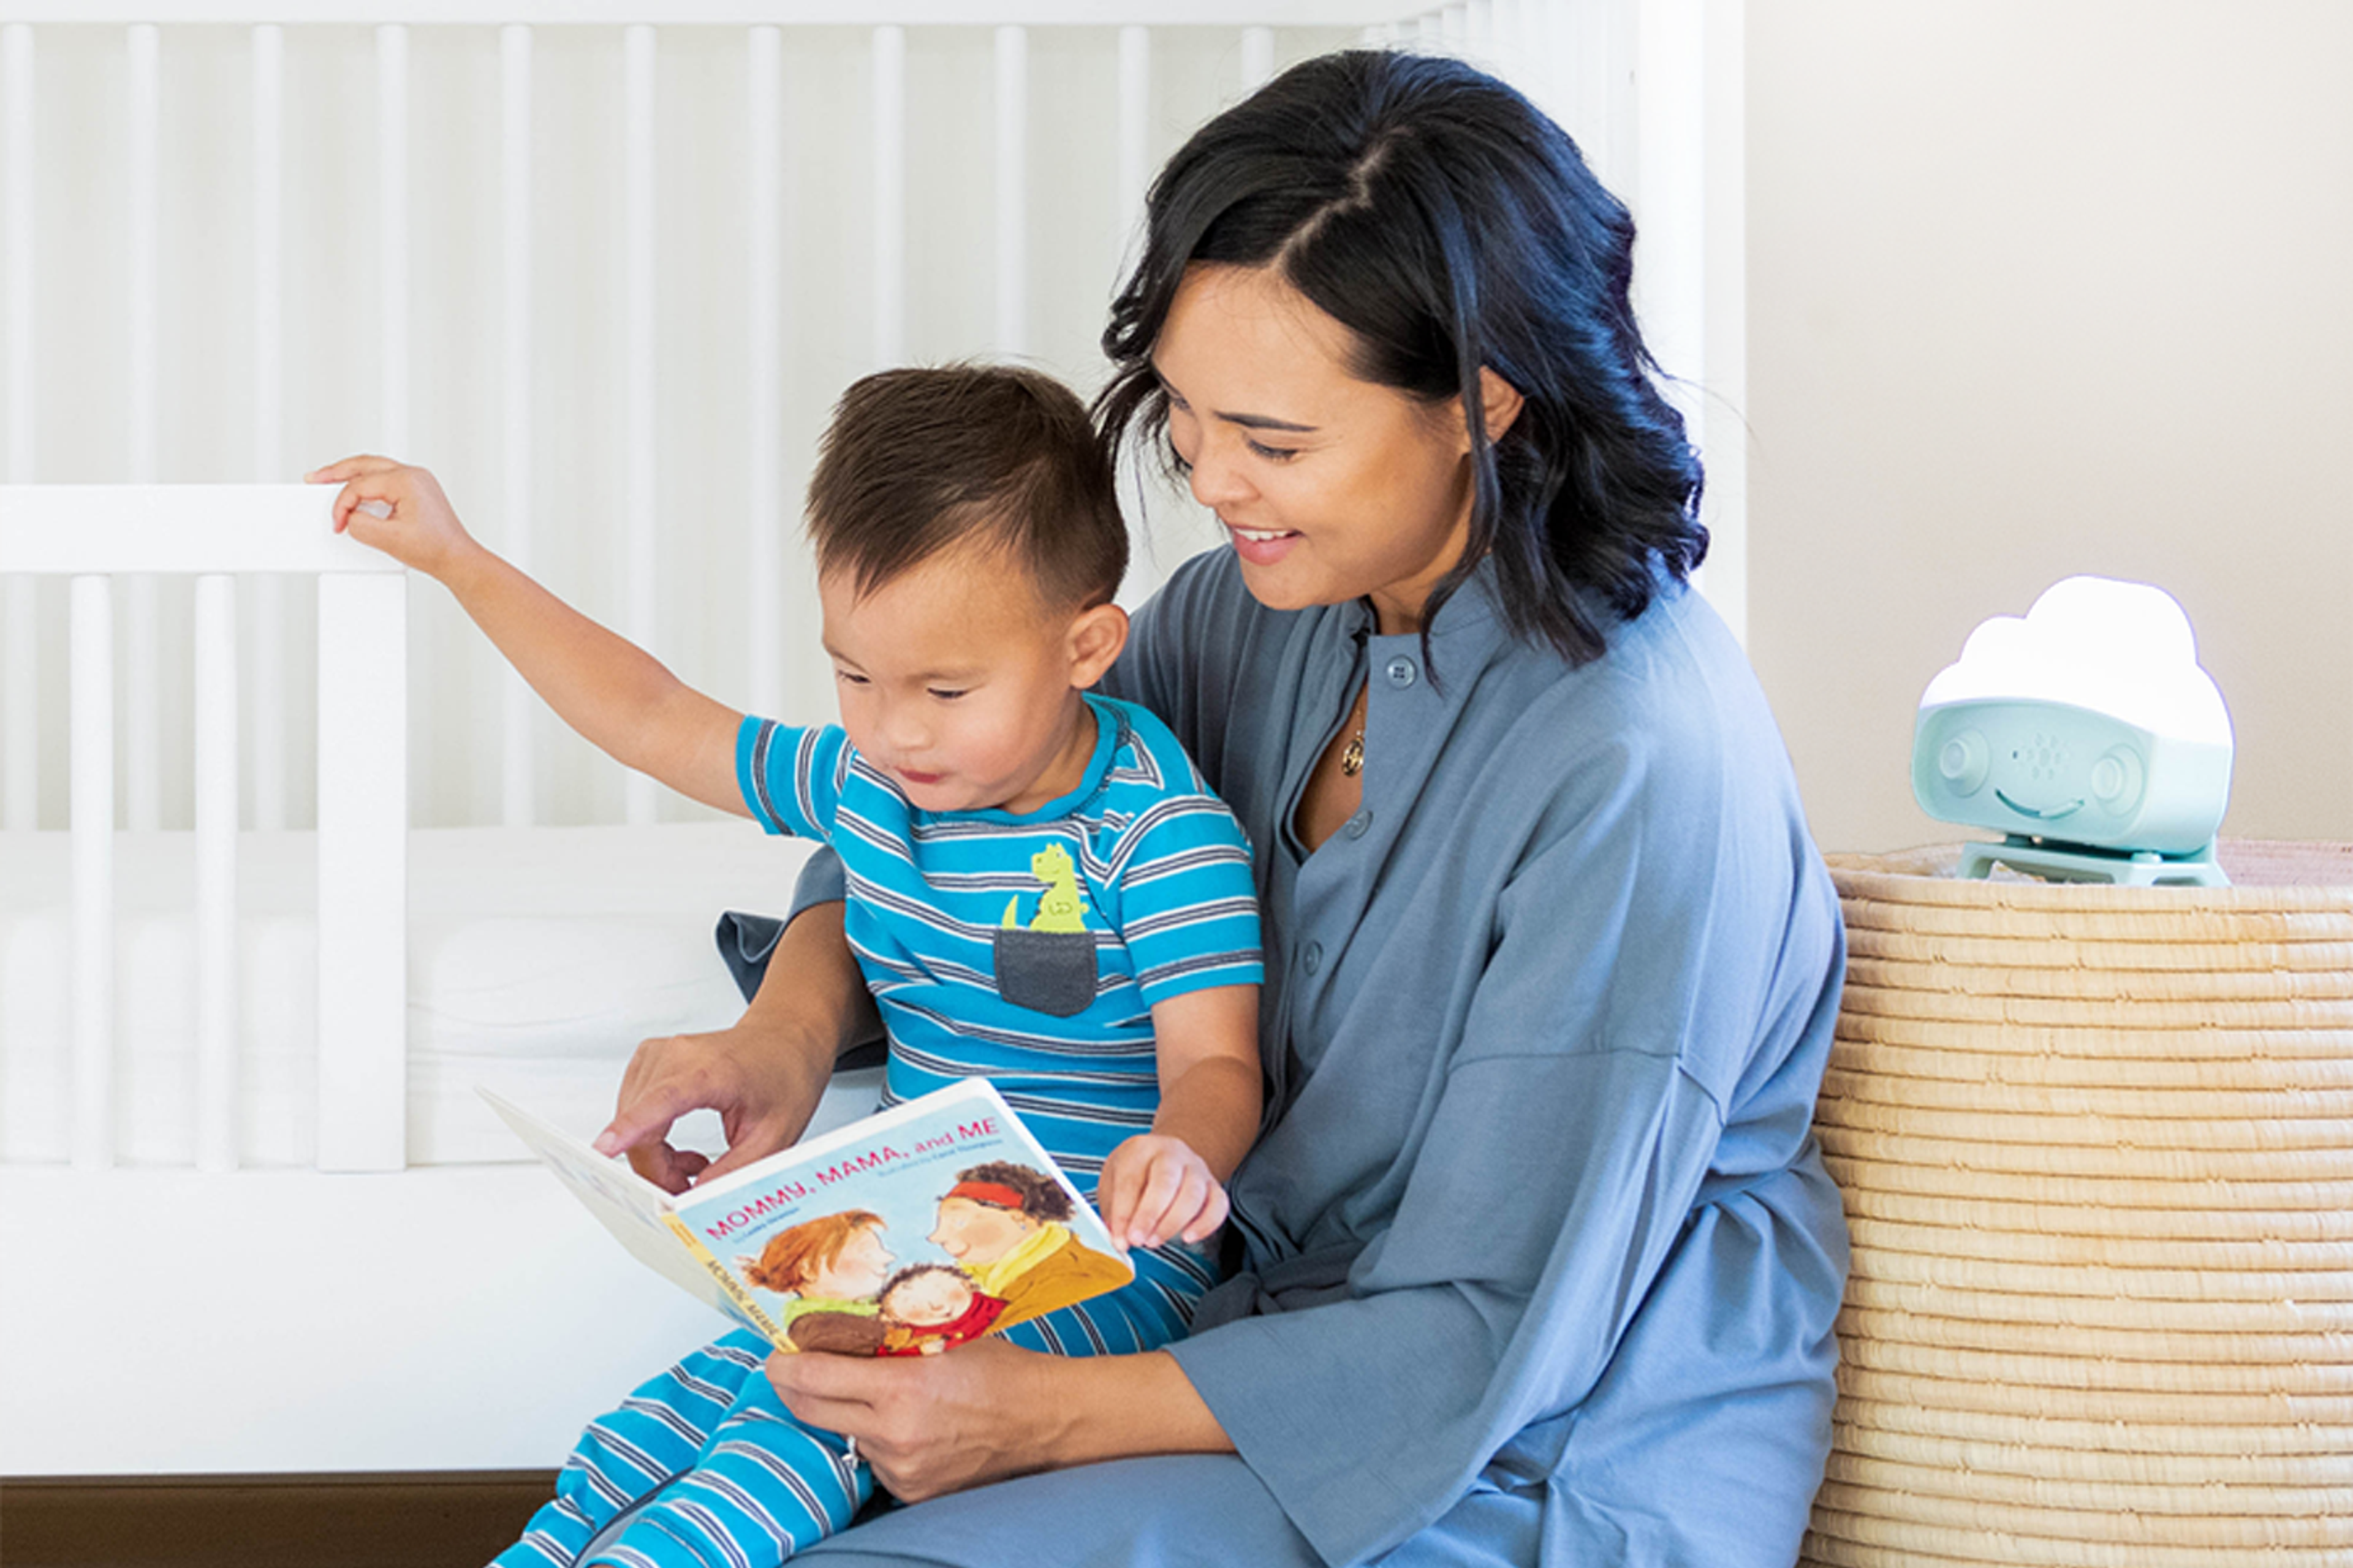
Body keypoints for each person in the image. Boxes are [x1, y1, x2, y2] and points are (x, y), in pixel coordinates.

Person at [600, 48, 1851, 1568]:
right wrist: (783, 1037)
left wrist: (1037, 1418)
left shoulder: (1636, 767)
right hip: (1206, 1310)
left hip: (1535, 1426)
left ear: (1481, 403)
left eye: (1274, 443)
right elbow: (945, 809)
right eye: (1186, 418)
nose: (1207, 481)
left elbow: (1493, 1313)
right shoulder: (1241, 612)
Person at [306, 363, 1267, 1567]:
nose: (895, 726)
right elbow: (656, 715)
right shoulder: (872, 784)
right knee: (653, 1425)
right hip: (913, 1242)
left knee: (789, 1438)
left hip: (1100, 1269)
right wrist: (460, 559)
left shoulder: (1157, 833)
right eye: (854, 675)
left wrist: (1183, 1153)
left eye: (946, 688)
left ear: (1084, 646)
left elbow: (1219, 1061)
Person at [925, 1162, 1134, 1329]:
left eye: (959, 1222)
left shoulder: (1075, 1272)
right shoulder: (971, 1281)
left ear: (1018, 1218)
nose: (936, 1237)